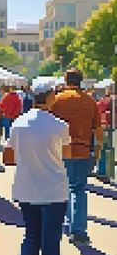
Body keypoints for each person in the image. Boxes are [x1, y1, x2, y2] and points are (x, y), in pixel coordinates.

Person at [3, 82, 69, 255]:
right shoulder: (60, 125)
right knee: (51, 240)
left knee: (31, 236)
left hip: (26, 186)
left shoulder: (18, 123)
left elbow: (8, 157)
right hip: (53, 189)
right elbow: (66, 154)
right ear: (50, 97)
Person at [50, 68, 102, 245]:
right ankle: (78, 230)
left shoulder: (57, 100)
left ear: (66, 80)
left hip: (61, 150)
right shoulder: (90, 101)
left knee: (62, 187)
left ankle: (65, 223)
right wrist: (98, 151)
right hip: (83, 149)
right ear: (81, 80)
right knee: (78, 189)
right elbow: (98, 129)